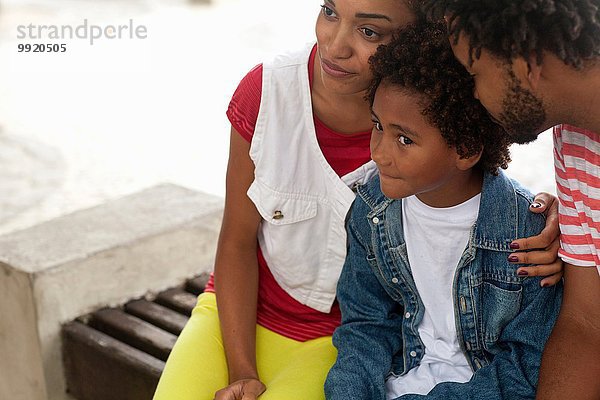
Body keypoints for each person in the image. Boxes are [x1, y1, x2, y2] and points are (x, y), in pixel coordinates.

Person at [153, 2, 562, 399]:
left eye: (370, 31)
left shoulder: (429, 128)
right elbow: (236, 240)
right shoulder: (269, 94)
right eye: (329, 11)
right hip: (242, 314)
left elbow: (481, 184)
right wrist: (243, 371)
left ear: (422, 37)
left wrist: (556, 219)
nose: (335, 45)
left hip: (334, 336)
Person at [325, 21, 563, 399]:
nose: (379, 153)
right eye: (377, 126)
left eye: (405, 139)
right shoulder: (370, 211)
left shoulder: (528, 236)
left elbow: (525, 366)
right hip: (397, 380)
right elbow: (366, 325)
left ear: (466, 149)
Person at [425, 1, 600, 399]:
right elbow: (587, 325)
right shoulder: (574, 138)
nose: (471, 94)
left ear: (527, 64)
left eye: (474, 74)